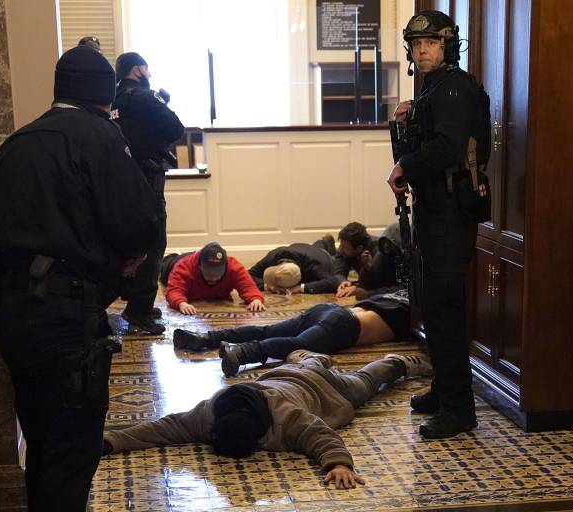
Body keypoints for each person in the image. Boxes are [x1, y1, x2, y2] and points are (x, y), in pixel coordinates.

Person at [0, 46, 161, 510]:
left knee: (41, 440)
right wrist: (125, 261)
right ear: (105, 94)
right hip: (67, 314)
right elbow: (138, 224)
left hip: (10, 312)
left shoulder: (17, 142)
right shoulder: (101, 136)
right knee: (72, 449)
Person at [102, 350, 432, 489]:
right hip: (283, 376)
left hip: (325, 389)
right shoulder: (209, 413)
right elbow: (163, 428)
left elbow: (321, 435)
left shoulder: (287, 417)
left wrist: (339, 464)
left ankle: (398, 362)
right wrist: (110, 441)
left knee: (365, 383)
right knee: (307, 363)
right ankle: (307, 357)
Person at [386, 10, 481, 439]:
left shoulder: (454, 88)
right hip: (435, 211)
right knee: (435, 307)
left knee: (444, 311)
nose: (422, 50)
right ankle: (444, 391)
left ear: (447, 46)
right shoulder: (434, 89)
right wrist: (405, 122)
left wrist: (404, 166)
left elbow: (446, 149)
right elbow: (424, 144)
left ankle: (459, 409)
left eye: (431, 43)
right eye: (416, 44)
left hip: (451, 215)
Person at [112, 52, 185, 334]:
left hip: (117, 180)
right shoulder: (146, 97)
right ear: (136, 70)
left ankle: (131, 298)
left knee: (124, 241)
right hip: (147, 178)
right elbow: (175, 129)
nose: (149, 74)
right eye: (146, 69)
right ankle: (139, 311)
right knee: (153, 242)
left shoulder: (111, 99)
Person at [173, 291, 411, 377]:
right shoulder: (417, 312)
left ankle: (206, 338)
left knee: (268, 330)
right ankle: (242, 353)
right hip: (346, 325)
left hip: (329, 310)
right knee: (298, 344)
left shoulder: (397, 294)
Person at [165, 242, 265, 315]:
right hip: (172, 263)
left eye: (217, 273)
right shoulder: (183, 268)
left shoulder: (234, 267)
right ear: (199, 266)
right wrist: (181, 303)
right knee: (166, 262)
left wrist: (255, 299)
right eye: (209, 273)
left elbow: (248, 286)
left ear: (226, 265)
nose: (213, 278)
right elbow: (174, 291)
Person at [247, 241, 342, 294]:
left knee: (336, 257)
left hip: (324, 257)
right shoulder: (273, 256)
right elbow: (248, 275)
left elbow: (334, 282)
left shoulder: (312, 266)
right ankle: (322, 242)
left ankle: (326, 244)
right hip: (303, 248)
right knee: (318, 244)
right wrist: (269, 286)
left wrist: (301, 288)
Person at [333, 222, 379, 298]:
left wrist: (358, 288)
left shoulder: (378, 251)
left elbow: (382, 284)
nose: (341, 249)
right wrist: (343, 282)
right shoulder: (344, 247)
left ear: (359, 248)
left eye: (345, 247)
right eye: (341, 244)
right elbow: (339, 271)